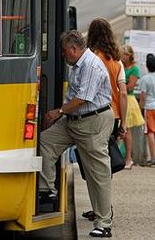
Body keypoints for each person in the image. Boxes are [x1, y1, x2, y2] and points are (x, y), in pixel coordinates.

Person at [39, 31, 114, 238]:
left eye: (64, 52)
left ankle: (103, 223)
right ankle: (47, 189)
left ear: (73, 49)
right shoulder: (78, 64)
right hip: (74, 121)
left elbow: (82, 98)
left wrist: (59, 112)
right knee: (46, 141)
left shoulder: (90, 65)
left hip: (92, 122)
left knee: (97, 174)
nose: (63, 56)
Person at [84, 18, 127, 223]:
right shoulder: (117, 61)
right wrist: (124, 123)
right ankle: (102, 206)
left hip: (96, 115)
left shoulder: (91, 58)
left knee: (94, 162)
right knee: (104, 163)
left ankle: (101, 207)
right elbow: (124, 93)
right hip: (115, 116)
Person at [138, 54, 155, 167]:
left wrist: (140, 108)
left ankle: (153, 158)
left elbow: (143, 96)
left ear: (147, 66)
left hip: (149, 107)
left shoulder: (145, 79)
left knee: (150, 132)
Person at [120, 45, 145, 169]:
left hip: (128, 99)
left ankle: (129, 158)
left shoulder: (134, 69)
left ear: (129, 55)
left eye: (124, 54)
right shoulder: (119, 65)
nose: (122, 57)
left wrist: (119, 84)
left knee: (127, 129)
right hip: (119, 97)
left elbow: (130, 86)